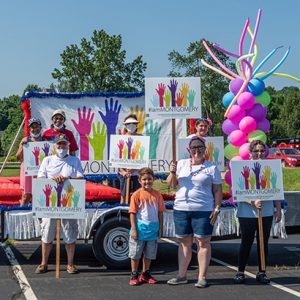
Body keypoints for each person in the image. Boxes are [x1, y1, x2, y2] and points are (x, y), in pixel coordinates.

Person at [166, 136, 222, 288]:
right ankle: (181, 275)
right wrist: (172, 172)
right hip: (181, 209)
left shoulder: (212, 168)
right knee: (184, 243)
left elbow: (217, 190)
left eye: (200, 148)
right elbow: (171, 185)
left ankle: (202, 277)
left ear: (205, 150)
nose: (197, 151)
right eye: (194, 148)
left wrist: (217, 208)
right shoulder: (181, 164)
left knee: (203, 242)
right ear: (189, 150)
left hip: (204, 210)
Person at [233, 140, 282, 284]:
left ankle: (262, 272)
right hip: (246, 213)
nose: (259, 153)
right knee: (246, 242)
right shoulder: (242, 167)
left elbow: (276, 190)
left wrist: (278, 209)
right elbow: (238, 191)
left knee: (263, 242)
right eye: (256, 151)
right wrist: (252, 202)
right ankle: (240, 271)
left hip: (266, 212)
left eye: (262, 151)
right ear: (250, 153)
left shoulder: (271, 167)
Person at [35, 133, 84, 275]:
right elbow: (40, 178)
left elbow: (81, 178)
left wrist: (67, 178)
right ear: (54, 146)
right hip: (49, 203)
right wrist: (53, 179)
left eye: (64, 144)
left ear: (68, 145)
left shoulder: (74, 160)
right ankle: (43, 263)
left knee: (70, 233)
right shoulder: (47, 160)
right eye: (59, 144)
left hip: (69, 203)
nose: (61, 146)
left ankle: (70, 264)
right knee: (47, 233)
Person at [128, 167, 165, 286]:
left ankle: (145, 274)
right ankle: (134, 274)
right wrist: (134, 230)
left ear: (153, 179)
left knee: (149, 254)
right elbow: (132, 213)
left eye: (149, 179)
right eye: (144, 180)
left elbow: (160, 213)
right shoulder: (136, 195)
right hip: (139, 230)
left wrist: (161, 228)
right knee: (135, 254)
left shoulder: (157, 195)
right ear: (139, 180)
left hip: (152, 230)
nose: (147, 182)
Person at [16, 118, 44, 206]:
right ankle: (21, 216)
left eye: (37, 127)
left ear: (40, 128)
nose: (35, 129)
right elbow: (18, 157)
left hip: (40, 171)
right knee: (26, 196)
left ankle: (39, 218)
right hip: (27, 171)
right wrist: (22, 146)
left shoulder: (45, 141)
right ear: (29, 129)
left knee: (40, 195)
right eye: (32, 127)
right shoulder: (25, 140)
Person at [118, 114, 141, 202]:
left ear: (136, 125)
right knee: (123, 195)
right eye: (129, 124)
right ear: (125, 125)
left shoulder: (142, 138)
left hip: (138, 173)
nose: (131, 126)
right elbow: (117, 158)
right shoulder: (121, 138)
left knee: (137, 196)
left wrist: (134, 167)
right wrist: (123, 171)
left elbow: (143, 157)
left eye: (133, 123)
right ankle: (123, 210)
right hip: (124, 174)